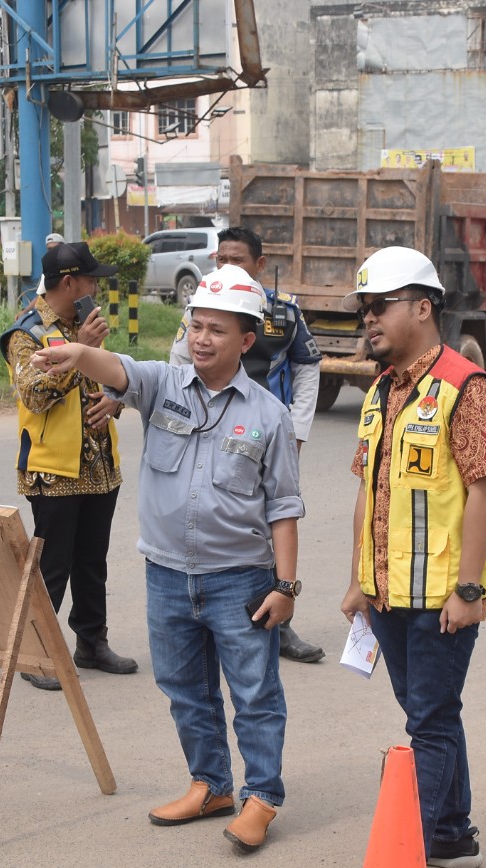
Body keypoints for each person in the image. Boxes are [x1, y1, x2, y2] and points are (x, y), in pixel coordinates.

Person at [37, 265, 303, 854]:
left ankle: (262, 796)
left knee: (254, 692)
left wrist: (285, 586)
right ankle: (210, 784)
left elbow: (284, 506)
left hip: (240, 579)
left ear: (246, 340)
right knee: (185, 687)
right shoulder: (163, 384)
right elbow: (119, 370)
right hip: (167, 573)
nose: (202, 338)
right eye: (196, 325)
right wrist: (80, 352)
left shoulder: (269, 416)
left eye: (217, 329)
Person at [337, 246, 486, 868]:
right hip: (388, 594)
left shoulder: (467, 388)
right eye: (365, 309)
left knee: (429, 727)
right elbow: (368, 487)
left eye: (379, 307)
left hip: (441, 598)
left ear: (422, 306)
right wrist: (358, 579)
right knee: (430, 715)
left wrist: (470, 590)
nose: (369, 320)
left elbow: (481, 492)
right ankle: (452, 835)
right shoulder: (382, 388)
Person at [170, 226, 326, 664]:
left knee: (277, 523)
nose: (227, 268)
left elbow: (308, 367)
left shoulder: (285, 312)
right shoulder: (201, 310)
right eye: (221, 260)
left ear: (260, 265)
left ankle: (280, 622)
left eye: (237, 261)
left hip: (268, 438)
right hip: (215, 434)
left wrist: (297, 431)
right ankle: (215, 618)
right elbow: (178, 363)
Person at [1, 240, 138, 690]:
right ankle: (34, 651)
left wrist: (115, 402)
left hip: (99, 466)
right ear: (69, 283)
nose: (96, 287)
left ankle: (91, 642)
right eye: (91, 279)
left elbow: (112, 379)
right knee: (51, 565)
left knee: (91, 562)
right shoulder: (28, 334)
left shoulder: (86, 326)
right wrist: (80, 351)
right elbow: (34, 395)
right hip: (54, 469)